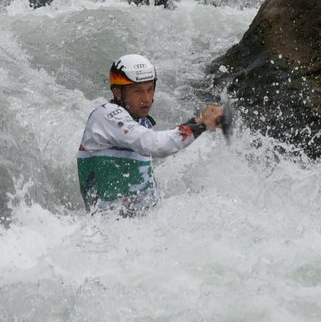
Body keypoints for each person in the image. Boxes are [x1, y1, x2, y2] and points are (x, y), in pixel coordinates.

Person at [76, 54, 223, 215]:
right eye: (138, 91)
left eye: (150, 89)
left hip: (145, 224)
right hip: (109, 229)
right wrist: (201, 124)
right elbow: (154, 145)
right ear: (118, 93)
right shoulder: (105, 116)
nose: (146, 99)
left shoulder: (141, 122)